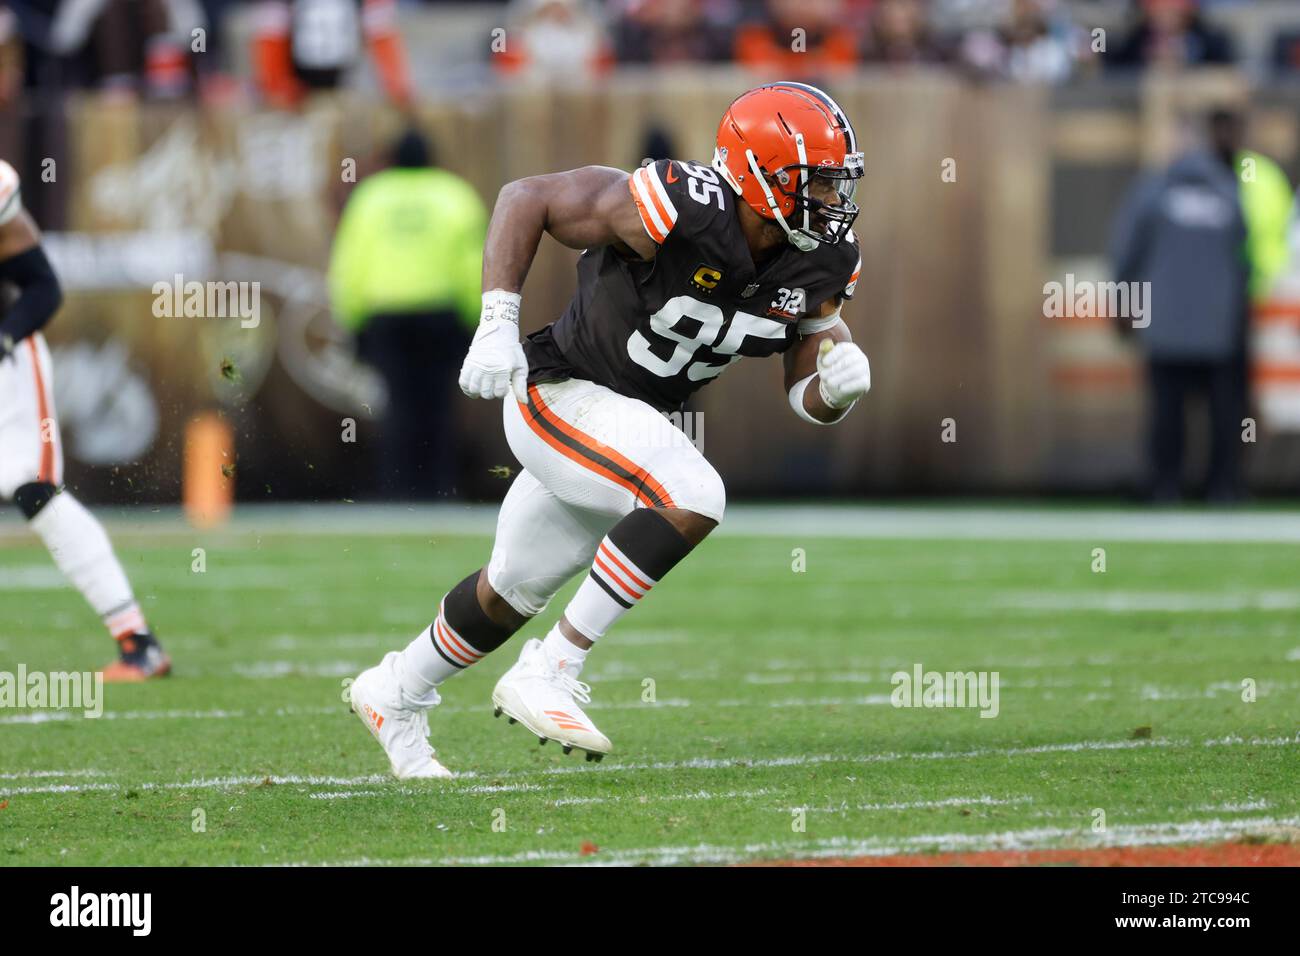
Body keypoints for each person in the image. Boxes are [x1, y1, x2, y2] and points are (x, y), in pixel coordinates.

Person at [348, 83, 872, 777]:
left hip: (622, 423)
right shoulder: (684, 204)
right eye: (817, 182)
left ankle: (394, 690)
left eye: (838, 183)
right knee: (692, 490)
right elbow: (524, 197)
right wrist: (497, 323)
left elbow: (807, 386)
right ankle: (554, 667)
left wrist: (835, 390)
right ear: (759, 176)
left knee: (511, 589)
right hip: (559, 392)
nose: (833, 202)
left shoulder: (822, 262)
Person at [0, 159, 169, 680]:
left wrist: (3, 337)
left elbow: (42, 287)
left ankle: (138, 642)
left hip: (7, 366)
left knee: (32, 488)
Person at [1110, 111, 1266, 503]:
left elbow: (1127, 254)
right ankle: (1222, 488)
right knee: (1224, 413)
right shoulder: (1230, 192)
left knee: (1167, 413)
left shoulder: (1153, 191)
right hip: (1219, 325)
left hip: (1164, 323)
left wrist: (1123, 306)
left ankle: (1165, 486)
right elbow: (1245, 256)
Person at [329, 129, 486, 499]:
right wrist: (476, 318)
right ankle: (438, 488)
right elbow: (475, 264)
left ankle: (398, 489)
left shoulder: (370, 197)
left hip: (386, 317)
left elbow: (348, 264)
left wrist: (351, 321)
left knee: (398, 406)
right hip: (441, 315)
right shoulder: (454, 195)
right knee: (439, 406)